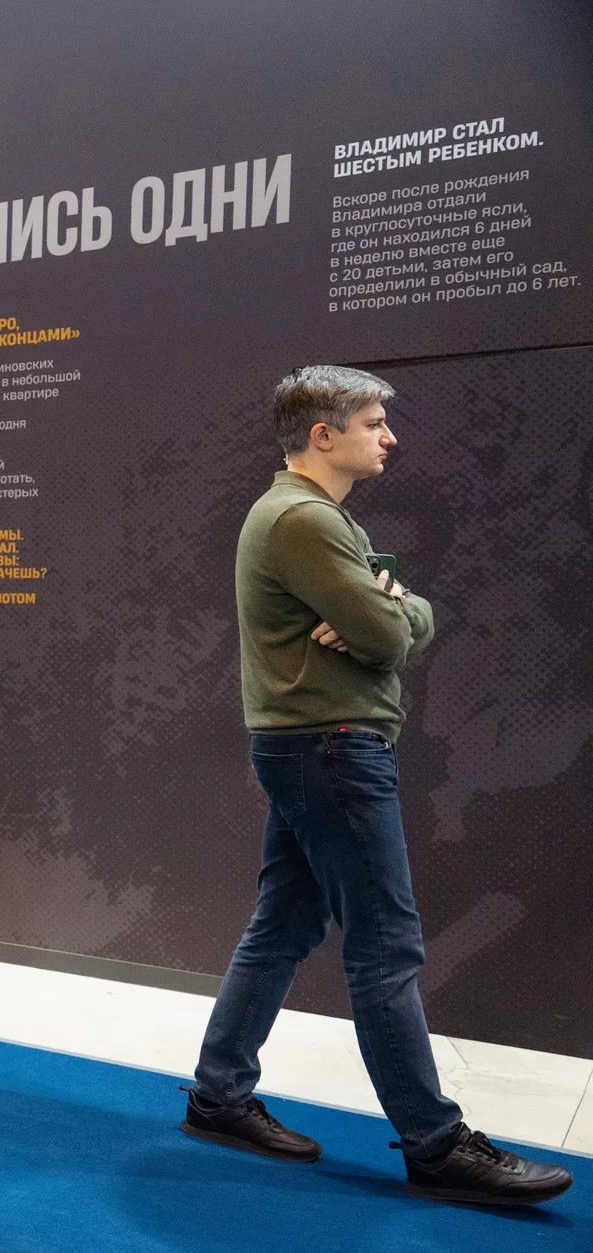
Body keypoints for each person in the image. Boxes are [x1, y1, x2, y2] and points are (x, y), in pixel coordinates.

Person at [183, 365, 572, 1207]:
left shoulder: (307, 517)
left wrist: (392, 609)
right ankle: (435, 1143)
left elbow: (399, 619)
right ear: (323, 436)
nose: (389, 437)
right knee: (386, 946)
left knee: (284, 924)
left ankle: (218, 1094)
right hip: (333, 747)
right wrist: (389, 612)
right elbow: (393, 636)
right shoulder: (306, 521)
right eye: (372, 423)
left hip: (311, 745)